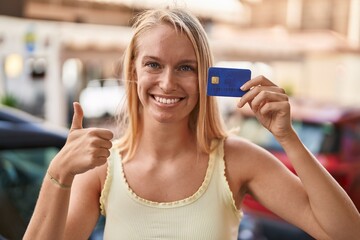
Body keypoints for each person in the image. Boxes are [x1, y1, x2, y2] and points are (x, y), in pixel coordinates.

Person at [24, 8, 360, 240]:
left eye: (186, 68)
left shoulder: (237, 161)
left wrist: (289, 138)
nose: (168, 83)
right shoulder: (102, 167)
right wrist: (59, 172)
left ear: (207, 79)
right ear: (133, 72)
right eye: (153, 64)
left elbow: (347, 232)